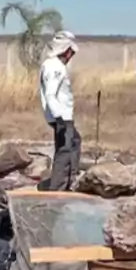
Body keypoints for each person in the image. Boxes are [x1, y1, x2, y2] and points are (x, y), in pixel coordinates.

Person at [39, 31, 81, 190]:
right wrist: (59, 118)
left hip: (62, 116)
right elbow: (50, 94)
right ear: (66, 50)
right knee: (64, 152)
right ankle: (58, 188)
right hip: (61, 116)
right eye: (71, 51)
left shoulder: (52, 65)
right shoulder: (54, 67)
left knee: (75, 142)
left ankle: (71, 179)